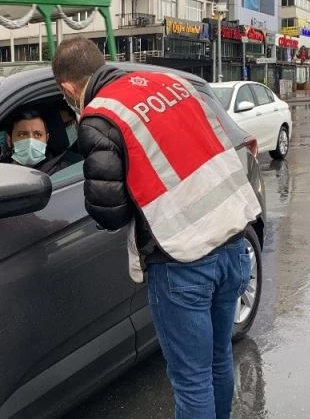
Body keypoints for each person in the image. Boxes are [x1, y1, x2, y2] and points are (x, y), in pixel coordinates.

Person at [51, 37, 262, 419]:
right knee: (218, 358)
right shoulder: (171, 84)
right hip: (233, 240)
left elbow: (110, 214)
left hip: (182, 259)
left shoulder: (100, 116)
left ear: (67, 87)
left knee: (192, 380)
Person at [1, 108, 76, 175]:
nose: (30, 142)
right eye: (22, 135)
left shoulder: (62, 171)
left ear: (46, 139)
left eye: (38, 135)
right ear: (9, 140)